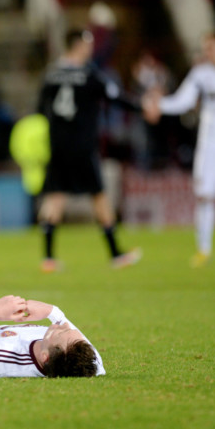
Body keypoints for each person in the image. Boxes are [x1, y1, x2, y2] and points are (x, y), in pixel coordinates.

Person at [144, 28, 215, 267]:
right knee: (205, 194)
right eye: (205, 48)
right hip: (210, 139)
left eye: (211, 47)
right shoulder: (200, 74)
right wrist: (160, 104)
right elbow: (183, 100)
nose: (207, 52)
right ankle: (203, 250)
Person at [36, 29, 142, 273]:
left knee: (55, 196)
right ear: (77, 46)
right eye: (87, 44)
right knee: (99, 196)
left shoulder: (51, 75)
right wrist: (141, 107)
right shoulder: (89, 75)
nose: (90, 49)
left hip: (58, 145)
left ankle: (48, 258)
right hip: (82, 146)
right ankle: (116, 253)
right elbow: (115, 98)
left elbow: (40, 109)